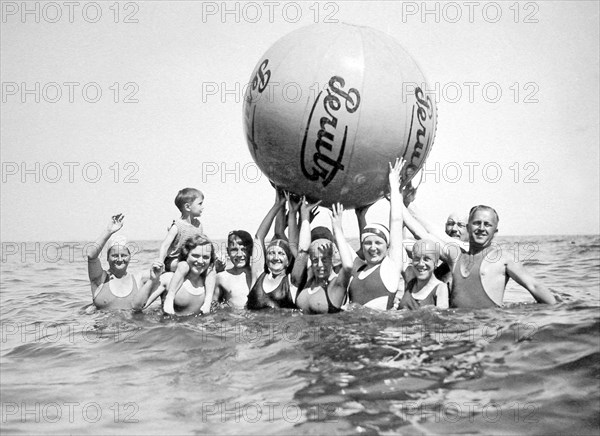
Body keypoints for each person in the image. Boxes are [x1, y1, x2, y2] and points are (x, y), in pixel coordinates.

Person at [402, 204, 556, 308]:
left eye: (487, 224)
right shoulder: (455, 255)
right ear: (468, 227)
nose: (481, 228)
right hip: (455, 327)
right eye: (477, 223)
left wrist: (558, 313)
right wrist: (399, 200)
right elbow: (420, 233)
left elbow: (534, 286)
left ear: (495, 231)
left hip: (487, 327)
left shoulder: (504, 258)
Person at [347, 158, 405, 310]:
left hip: (382, 332)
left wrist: (394, 185)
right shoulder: (357, 269)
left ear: (387, 246)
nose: (373, 247)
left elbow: (397, 221)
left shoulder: (391, 268)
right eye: (368, 243)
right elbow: (338, 237)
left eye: (378, 243)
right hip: (354, 331)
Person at [87, 214, 162, 310]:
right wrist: (108, 231)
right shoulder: (100, 279)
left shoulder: (139, 279)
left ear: (130, 257)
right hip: (105, 324)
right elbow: (91, 255)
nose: (119, 259)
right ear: (107, 258)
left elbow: (168, 276)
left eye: (123, 255)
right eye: (114, 255)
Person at [246, 189, 304, 310]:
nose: (275, 257)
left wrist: (293, 213)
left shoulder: (292, 282)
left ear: (288, 261)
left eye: (281, 253)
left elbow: (300, 253)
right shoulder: (258, 275)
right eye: (271, 253)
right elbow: (258, 237)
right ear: (266, 258)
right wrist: (277, 205)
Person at [294, 201, 353, 314]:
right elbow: (302, 252)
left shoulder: (336, 284)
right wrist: (305, 218)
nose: (320, 265)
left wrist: (337, 228)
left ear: (332, 259)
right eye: (315, 260)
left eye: (325, 259)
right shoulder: (307, 279)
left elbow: (348, 266)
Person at [146, 235, 216, 316]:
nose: (200, 261)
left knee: (211, 269)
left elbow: (212, 270)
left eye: (206, 257)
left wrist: (208, 301)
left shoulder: (210, 280)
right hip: (171, 326)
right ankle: (170, 296)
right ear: (186, 255)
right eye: (195, 255)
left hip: (196, 326)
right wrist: (151, 280)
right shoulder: (168, 279)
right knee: (183, 266)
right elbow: (139, 307)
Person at [156, 188, 205, 272]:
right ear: (187, 207)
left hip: (190, 259)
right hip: (173, 261)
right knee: (185, 265)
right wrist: (160, 261)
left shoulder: (198, 225)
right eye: (200, 204)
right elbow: (165, 245)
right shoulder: (177, 226)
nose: (202, 207)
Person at [213, 230, 260, 309]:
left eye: (244, 249)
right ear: (228, 251)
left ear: (251, 251)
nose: (239, 254)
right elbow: (212, 307)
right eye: (234, 250)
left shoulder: (259, 275)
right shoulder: (221, 278)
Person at [399, 239, 448, 309]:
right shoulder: (409, 278)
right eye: (417, 258)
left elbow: (442, 317)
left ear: (436, 263)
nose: (421, 264)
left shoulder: (440, 288)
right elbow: (399, 244)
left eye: (426, 259)